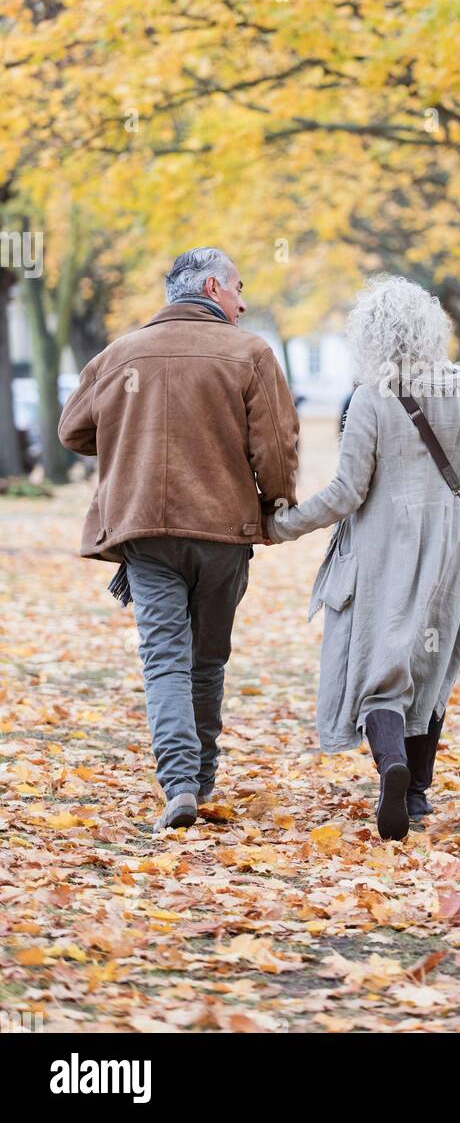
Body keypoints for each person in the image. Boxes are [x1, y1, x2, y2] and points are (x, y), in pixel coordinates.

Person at [267, 275, 460, 840]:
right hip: (450, 548)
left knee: (380, 670)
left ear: (370, 336)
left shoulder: (371, 396)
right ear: (430, 329)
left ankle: (390, 766)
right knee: (431, 666)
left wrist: (283, 525)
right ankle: (416, 796)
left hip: (381, 548)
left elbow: (347, 492)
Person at [58, 247, 299, 832]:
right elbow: (275, 447)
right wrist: (275, 503)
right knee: (207, 659)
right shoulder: (250, 353)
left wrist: (134, 437)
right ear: (213, 286)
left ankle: (179, 783)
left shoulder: (120, 354)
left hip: (143, 528)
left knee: (163, 658)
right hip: (222, 528)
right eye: (239, 288)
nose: (243, 302)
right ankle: (204, 776)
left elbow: (73, 431)